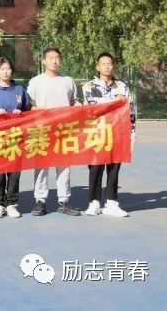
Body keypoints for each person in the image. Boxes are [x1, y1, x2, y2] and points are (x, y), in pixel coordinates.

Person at [27, 47, 81, 217]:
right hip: (41, 130)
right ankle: (40, 201)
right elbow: (28, 105)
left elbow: (75, 102)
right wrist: (37, 110)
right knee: (41, 167)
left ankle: (64, 201)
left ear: (61, 60)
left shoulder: (68, 81)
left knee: (64, 167)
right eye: (50, 58)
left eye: (57, 58)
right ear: (44, 61)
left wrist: (78, 107)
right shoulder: (36, 82)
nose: (54, 61)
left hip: (63, 130)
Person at [82, 52, 134, 218]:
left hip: (117, 133)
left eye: (110, 63)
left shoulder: (122, 87)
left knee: (114, 168)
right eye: (103, 64)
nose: (107, 67)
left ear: (113, 66)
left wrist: (132, 134)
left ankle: (111, 202)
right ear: (97, 67)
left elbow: (130, 110)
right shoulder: (88, 86)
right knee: (95, 168)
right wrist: (114, 103)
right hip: (96, 132)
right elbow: (90, 109)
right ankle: (94, 202)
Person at [0, 57, 30, 219]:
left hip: (15, 136)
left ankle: (12, 203)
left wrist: (21, 113)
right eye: (2, 69)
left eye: (8, 68)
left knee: (14, 171)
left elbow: (28, 109)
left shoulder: (19, 89)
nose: (6, 72)